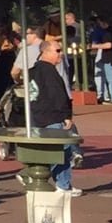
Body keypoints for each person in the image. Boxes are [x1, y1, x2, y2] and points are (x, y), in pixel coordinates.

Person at [25, 32, 82, 195]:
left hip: (37, 116)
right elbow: (56, 94)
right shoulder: (49, 71)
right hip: (52, 116)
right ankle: (63, 185)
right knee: (62, 150)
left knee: (45, 152)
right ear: (46, 52)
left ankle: (28, 176)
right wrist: (65, 116)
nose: (60, 54)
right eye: (57, 51)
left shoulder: (33, 70)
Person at [90, 15, 112, 104]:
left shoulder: (107, 32)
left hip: (109, 57)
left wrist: (92, 46)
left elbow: (108, 45)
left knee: (111, 78)